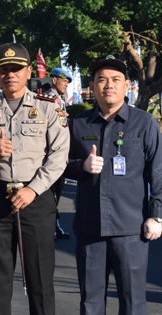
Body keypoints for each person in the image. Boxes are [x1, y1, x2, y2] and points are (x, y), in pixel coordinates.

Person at [0, 43, 70, 315]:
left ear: (28, 72)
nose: (10, 74)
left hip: (35, 201)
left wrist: (33, 190)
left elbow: (59, 156)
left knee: (40, 283)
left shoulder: (47, 108)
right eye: (4, 69)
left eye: (16, 69)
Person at [64, 55, 162, 315]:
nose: (109, 85)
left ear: (127, 85)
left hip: (130, 229)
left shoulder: (144, 123)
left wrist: (157, 216)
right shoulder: (78, 124)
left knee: (133, 302)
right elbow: (61, 165)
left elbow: (158, 172)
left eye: (116, 79)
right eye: (102, 80)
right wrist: (81, 167)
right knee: (91, 302)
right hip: (89, 228)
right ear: (93, 86)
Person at [47, 67, 73, 240]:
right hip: (50, 154)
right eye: (63, 81)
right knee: (51, 193)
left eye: (68, 82)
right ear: (54, 80)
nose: (66, 85)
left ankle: (54, 226)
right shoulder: (49, 99)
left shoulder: (60, 101)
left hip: (60, 153)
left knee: (57, 191)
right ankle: (50, 227)